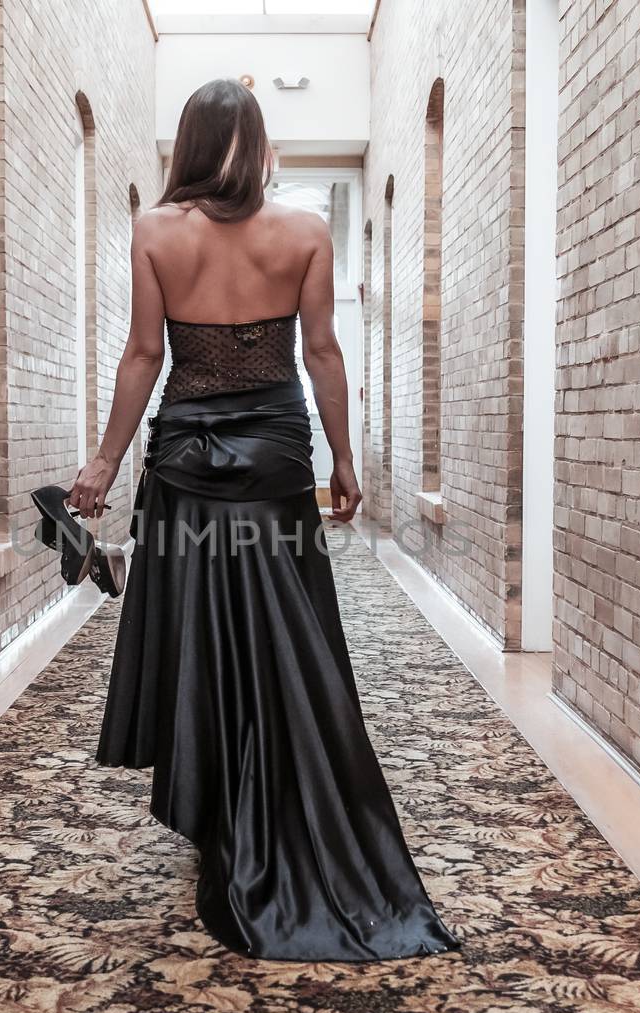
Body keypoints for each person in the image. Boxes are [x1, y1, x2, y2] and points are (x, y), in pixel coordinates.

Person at [62, 77, 461, 962]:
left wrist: (103, 461)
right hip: (278, 454)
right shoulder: (305, 232)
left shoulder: (157, 232)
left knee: (202, 628)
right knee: (287, 629)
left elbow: (143, 355)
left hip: (187, 458)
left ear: (192, 147)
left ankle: (217, 801)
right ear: (255, 145)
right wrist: (343, 460)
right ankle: (293, 793)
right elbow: (321, 352)